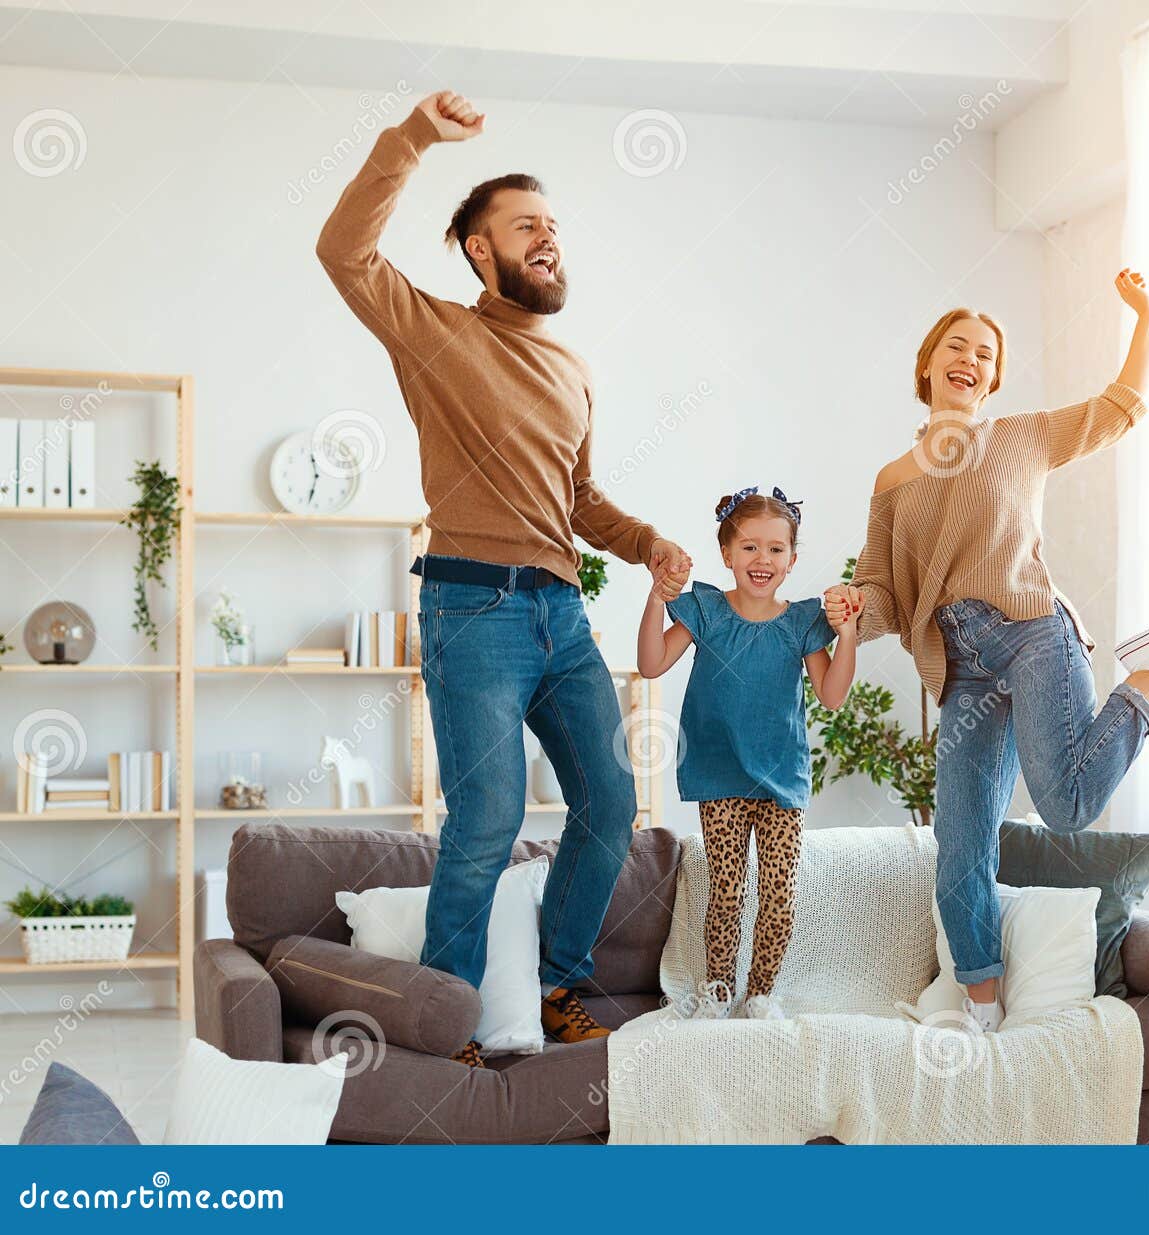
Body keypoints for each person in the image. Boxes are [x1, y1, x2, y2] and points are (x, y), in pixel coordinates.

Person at [317, 90, 691, 1064]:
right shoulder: (437, 334)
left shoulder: (572, 368)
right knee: (487, 817)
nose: (548, 239)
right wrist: (410, 140)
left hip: (560, 612)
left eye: (554, 226)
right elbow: (343, 253)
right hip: (470, 600)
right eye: (527, 225)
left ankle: (559, 981)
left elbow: (579, 498)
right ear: (479, 250)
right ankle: (445, 1017)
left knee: (611, 801)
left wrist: (647, 540)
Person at [825, 270, 1149, 1035]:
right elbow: (882, 588)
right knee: (960, 847)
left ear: (992, 377)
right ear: (928, 365)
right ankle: (982, 1013)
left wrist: (1148, 315)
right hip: (964, 665)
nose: (971, 358)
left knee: (1068, 804)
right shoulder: (893, 480)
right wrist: (848, 607)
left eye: (986, 352)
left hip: (1033, 631)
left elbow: (1120, 407)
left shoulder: (1021, 436)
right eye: (957, 346)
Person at [638, 488, 856, 1020]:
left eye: (776, 550)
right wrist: (656, 597)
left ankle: (761, 993)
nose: (763, 561)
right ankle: (717, 989)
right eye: (750, 548)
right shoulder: (706, 610)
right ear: (727, 553)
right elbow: (650, 664)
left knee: (780, 894)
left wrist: (847, 631)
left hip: (782, 781)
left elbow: (831, 695)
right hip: (721, 777)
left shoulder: (803, 622)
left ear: (792, 560)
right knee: (727, 891)